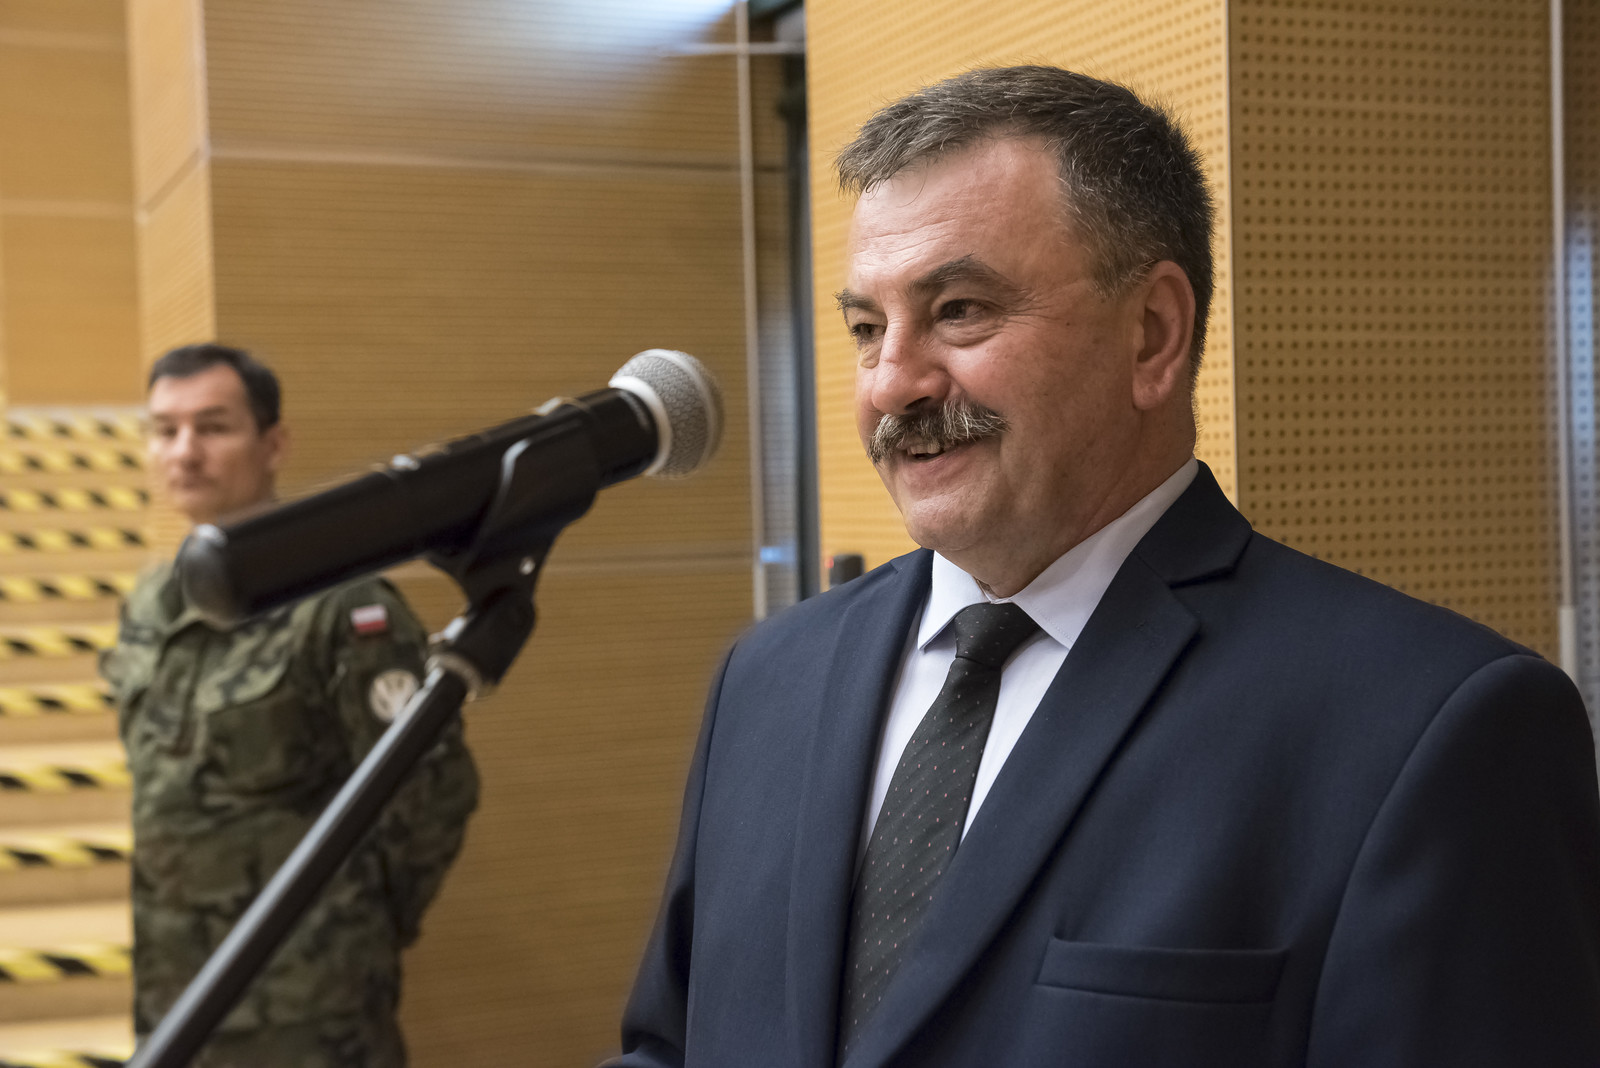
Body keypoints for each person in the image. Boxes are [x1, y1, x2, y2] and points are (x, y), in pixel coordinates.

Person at [611, 66, 1600, 1067]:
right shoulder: (766, 679)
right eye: (868, 328)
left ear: (1153, 335)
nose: (891, 383)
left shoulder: (1428, 728)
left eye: (959, 309)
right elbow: (671, 1046)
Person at [100, 344, 479, 1067]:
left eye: (213, 427)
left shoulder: (340, 605)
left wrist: (359, 927)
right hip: (175, 989)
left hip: (310, 1010)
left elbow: (431, 793)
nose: (184, 452)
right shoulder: (149, 601)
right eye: (165, 430)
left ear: (273, 445)